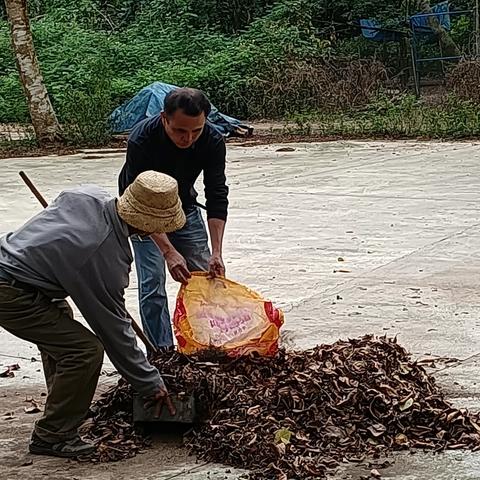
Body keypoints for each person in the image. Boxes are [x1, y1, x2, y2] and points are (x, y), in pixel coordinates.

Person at [0, 171, 184, 458]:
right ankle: (53, 436)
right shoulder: (101, 254)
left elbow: (59, 219)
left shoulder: (88, 194)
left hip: (23, 274)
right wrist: (149, 382)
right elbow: (113, 331)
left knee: (61, 326)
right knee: (84, 350)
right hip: (11, 292)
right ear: (147, 225)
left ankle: (65, 409)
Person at [118, 87, 229, 349]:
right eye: (180, 130)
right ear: (164, 118)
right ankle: (162, 352)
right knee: (153, 283)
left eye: (196, 131)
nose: (188, 138)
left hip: (184, 207)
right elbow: (135, 202)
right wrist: (168, 251)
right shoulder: (142, 140)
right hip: (142, 212)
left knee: (206, 275)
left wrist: (217, 251)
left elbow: (216, 193)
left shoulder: (212, 139)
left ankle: (209, 343)